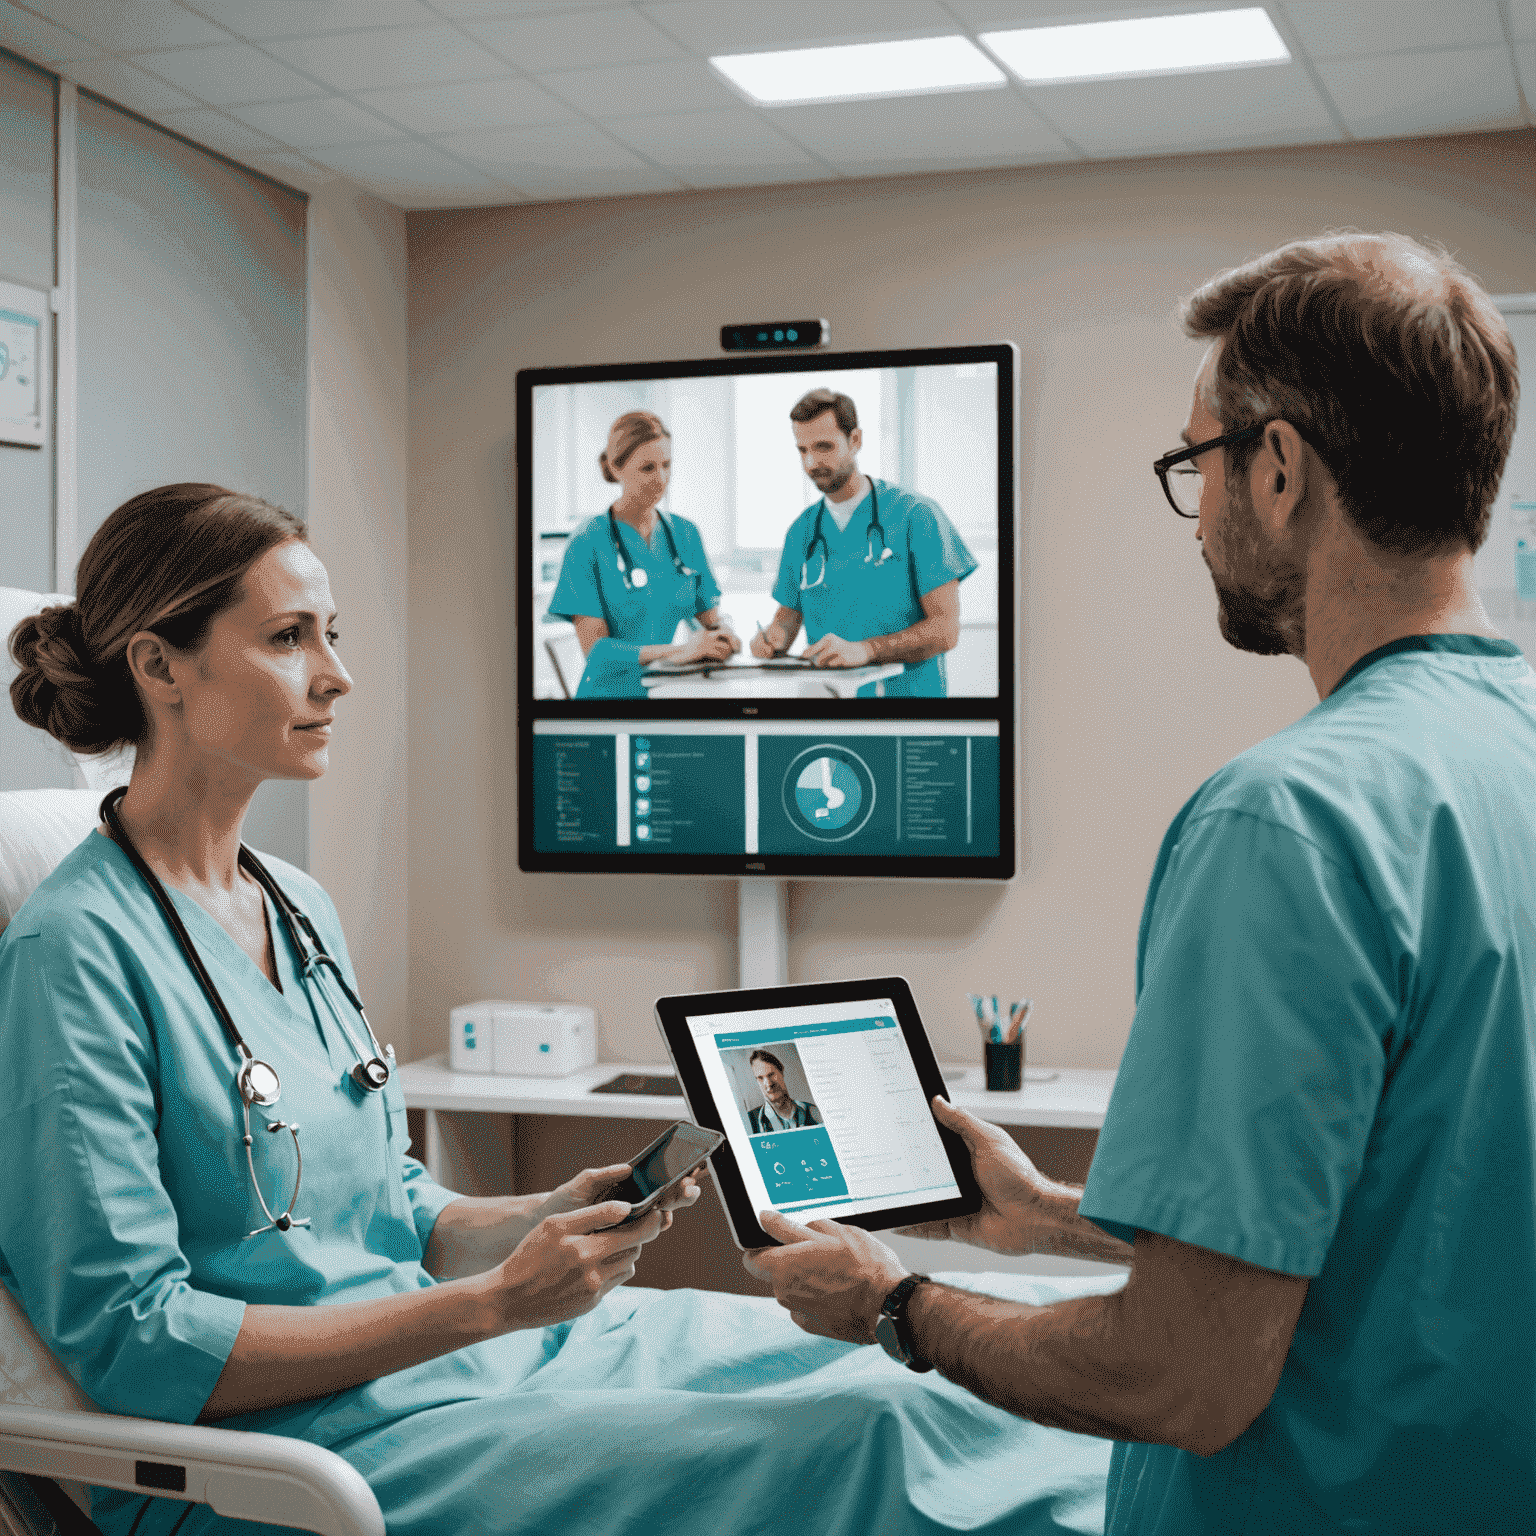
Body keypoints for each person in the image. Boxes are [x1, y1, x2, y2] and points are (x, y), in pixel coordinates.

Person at [1, 481, 1123, 1536]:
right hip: (310, 1452)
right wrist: (495, 1305)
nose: (337, 675)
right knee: (880, 1431)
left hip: (473, 1365)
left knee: (907, 1352)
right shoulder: (75, 952)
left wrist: (548, 1216)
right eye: (290, 638)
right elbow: (139, 1348)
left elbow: (394, 1209)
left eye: (332, 634)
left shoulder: (295, 906)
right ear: (161, 665)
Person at [746, 233, 1532, 1533]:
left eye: (1197, 462)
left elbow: (1187, 1376)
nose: (1201, 508)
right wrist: (1053, 1220)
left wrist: (895, 1304)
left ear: (1278, 469)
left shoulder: (1289, 823)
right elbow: (1401, 1240)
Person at [749, 389, 976, 697]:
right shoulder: (801, 532)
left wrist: (867, 650)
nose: (812, 462)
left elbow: (946, 630)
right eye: (802, 450)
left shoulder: (916, 515)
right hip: (829, 713)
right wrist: (772, 637)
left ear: (855, 440)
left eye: (824, 447)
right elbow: (788, 618)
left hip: (908, 713)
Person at [547, 409, 738, 698]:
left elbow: (711, 617)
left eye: (666, 465)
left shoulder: (686, 535)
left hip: (666, 694)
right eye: (647, 468)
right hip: (606, 704)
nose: (661, 478)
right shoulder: (587, 542)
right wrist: (681, 650)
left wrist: (724, 634)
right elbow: (597, 653)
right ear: (615, 467)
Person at [745, 1048, 822, 1133]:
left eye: (771, 1075)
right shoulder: (749, 1121)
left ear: (781, 1072)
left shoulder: (813, 1111)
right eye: (760, 1078)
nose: (768, 1084)